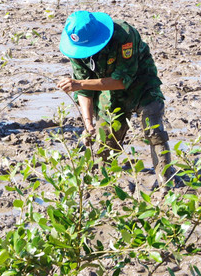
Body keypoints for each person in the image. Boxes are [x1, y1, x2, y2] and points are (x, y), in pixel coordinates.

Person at [56, 11, 172, 185]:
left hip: (141, 83)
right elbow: (84, 90)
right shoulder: (76, 50)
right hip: (107, 91)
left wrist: (79, 84)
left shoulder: (124, 35)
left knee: (154, 129)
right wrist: (88, 123)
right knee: (105, 142)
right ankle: (104, 184)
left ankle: (166, 184)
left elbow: (121, 81)